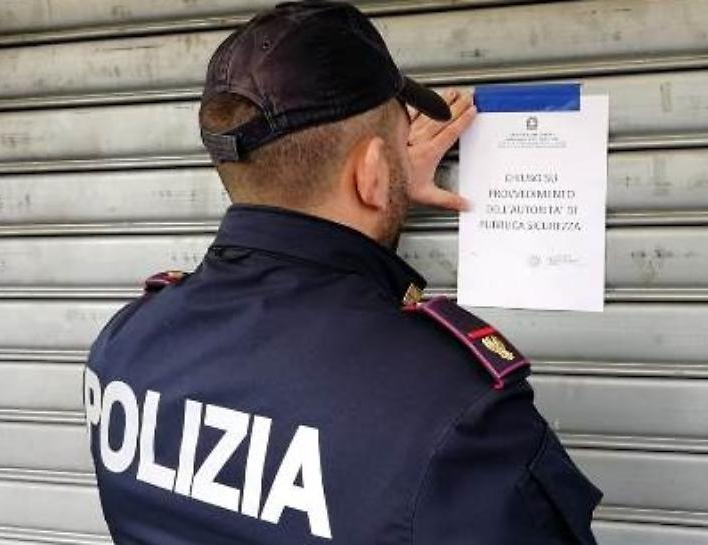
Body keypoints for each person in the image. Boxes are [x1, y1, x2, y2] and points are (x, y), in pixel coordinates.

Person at [82, 1, 602, 543]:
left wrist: (379, 185)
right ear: (372, 171)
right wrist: (379, 189)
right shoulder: (459, 415)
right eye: (400, 145)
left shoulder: (127, 344)